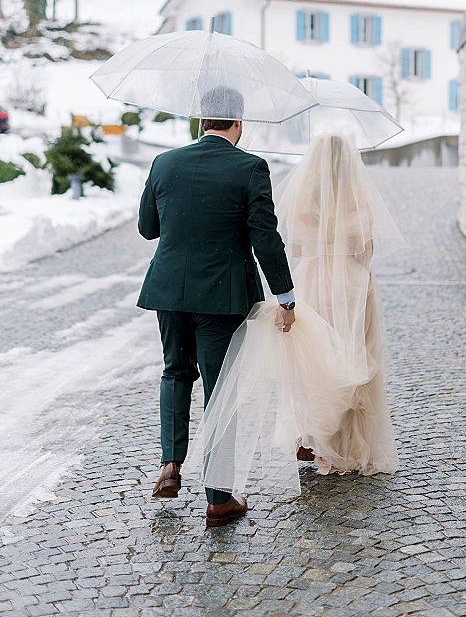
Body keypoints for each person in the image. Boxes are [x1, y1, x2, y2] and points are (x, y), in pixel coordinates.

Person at [185, 132, 405, 497]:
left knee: (313, 361)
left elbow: (298, 245)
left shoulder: (305, 198)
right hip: (350, 282)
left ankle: (314, 438)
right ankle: (344, 447)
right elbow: (365, 250)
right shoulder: (359, 198)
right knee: (351, 352)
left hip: (313, 279)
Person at [136, 87, 295, 528]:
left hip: (168, 291)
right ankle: (219, 499)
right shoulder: (249, 167)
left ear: (200, 120)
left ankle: (171, 463)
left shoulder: (164, 162)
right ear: (238, 122)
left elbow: (148, 228)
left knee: (175, 371)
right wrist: (285, 295)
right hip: (222, 298)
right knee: (220, 390)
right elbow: (264, 236)